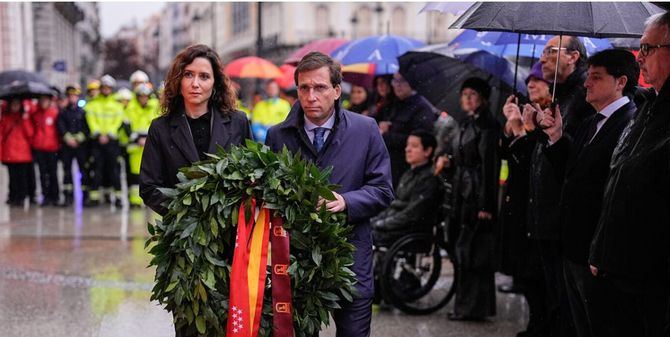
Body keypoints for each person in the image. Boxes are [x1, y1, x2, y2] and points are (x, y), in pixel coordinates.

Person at [265, 51, 393, 337]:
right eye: (304, 87)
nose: (311, 96)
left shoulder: (365, 129)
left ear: (336, 91)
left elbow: (383, 190)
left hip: (351, 261)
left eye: (320, 87)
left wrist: (346, 201)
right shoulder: (277, 136)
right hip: (299, 266)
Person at [538, 49, 639, 337]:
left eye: (596, 77)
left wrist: (601, 249)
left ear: (620, 82)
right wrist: (556, 137)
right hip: (573, 245)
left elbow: (615, 191)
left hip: (594, 251)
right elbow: (572, 172)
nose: (587, 83)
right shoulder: (591, 121)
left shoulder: (628, 123)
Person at [588, 12, 670, 337]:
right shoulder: (648, 107)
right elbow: (617, 187)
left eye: (649, 48)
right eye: (640, 48)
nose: (640, 58)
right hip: (618, 274)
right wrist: (601, 251)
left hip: (651, 283)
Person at [140, 43, 252, 217]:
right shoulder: (160, 128)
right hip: (181, 231)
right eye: (188, 75)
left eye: (204, 77)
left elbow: (249, 176)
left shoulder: (238, 122)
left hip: (228, 230)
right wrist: (185, 214)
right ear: (178, 80)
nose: (195, 84)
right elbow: (149, 187)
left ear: (215, 83)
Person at [527, 36, 591, 337]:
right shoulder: (559, 95)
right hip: (546, 214)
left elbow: (576, 160)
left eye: (551, 52)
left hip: (566, 217)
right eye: (543, 52)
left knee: (569, 306)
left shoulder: (582, 96)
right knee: (552, 295)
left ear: (574, 57)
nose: (543, 58)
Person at [498, 63, 552, 337]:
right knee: (523, 271)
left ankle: (540, 325)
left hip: (535, 204)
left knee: (535, 273)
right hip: (517, 203)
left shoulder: (549, 115)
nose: (531, 85)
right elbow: (507, 156)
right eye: (529, 80)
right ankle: (535, 322)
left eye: (538, 81)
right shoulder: (526, 109)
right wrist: (510, 129)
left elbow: (533, 160)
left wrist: (521, 131)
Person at [448, 77, 500, 322]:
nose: (467, 98)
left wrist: (486, 206)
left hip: (476, 195)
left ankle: (473, 307)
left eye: (473, 94)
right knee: (464, 251)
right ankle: (465, 305)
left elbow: (489, 168)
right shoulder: (468, 123)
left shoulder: (488, 126)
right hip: (463, 191)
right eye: (464, 94)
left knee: (474, 253)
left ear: (483, 98)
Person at [372, 129, 441, 245]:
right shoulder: (408, 173)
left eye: (414, 146)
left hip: (410, 230)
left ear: (428, 151)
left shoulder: (429, 179)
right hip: (396, 224)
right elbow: (395, 204)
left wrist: (383, 223)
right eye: (407, 145)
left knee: (363, 237)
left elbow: (412, 213)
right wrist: (376, 220)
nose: (407, 149)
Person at [381, 72, 438, 188]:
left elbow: (417, 140)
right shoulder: (397, 102)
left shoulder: (422, 107)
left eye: (401, 81)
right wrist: (389, 126)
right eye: (394, 81)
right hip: (392, 164)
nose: (397, 85)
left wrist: (386, 135)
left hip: (407, 167)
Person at [85, 74, 125, 207]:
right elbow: (91, 120)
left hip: (112, 141)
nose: (106, 89)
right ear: (101, 88)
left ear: (111, 89)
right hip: (97, 141)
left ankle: (118, 198)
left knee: (113, 170)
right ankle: (95, 198)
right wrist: (99, 134)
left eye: (108, 88)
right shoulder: (93, 104)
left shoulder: (117, 105)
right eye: (104, 87)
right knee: (97, 169)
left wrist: (108, 134)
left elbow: (118, 121)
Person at [123, 83, 160, 207]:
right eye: (141, 96)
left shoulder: (155, 107)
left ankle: (152, 201)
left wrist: (148, 140)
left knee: (153, 175)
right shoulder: (130, 108)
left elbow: (158, 127)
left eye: (145, 96)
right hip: (135, 148)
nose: (143, 99)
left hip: (151, 147)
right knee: (135, 175)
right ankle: (135, 201)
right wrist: (137, 139)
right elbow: (126, 126)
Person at [57, 85, 90, 206]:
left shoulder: (83, 112)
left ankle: (85, 196)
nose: (72, 98)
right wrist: (67, 137)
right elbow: (60, 126)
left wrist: (79, 138)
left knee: (84, 171)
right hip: (67, 146)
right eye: (70, 96)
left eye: (74, 96)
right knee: (67, 171)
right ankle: (67, 196)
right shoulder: (63, 112)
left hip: (81, 146)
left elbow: (87, 128)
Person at [0, 98, 34, 206]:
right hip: (10, 152)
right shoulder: (6, 118)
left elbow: (30, 133)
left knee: (22, 177)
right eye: (13, 104)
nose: (15, 107)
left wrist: (25, 120)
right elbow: (2, 133)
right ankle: (13, 196)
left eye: (17, 104)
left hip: (23, 153)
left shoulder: (24, 118)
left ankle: (21, 197)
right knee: (12, 177)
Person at [30, 93, 62, 206]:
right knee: (43, 174)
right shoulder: (35, 115)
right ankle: (45, 195)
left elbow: (59, 130)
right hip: (39, 148)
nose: (44, 103)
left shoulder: (54, 113)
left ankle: (55, 196)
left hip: (52, 148)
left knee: (53, 173)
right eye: (42, 100)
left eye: (46, 100)